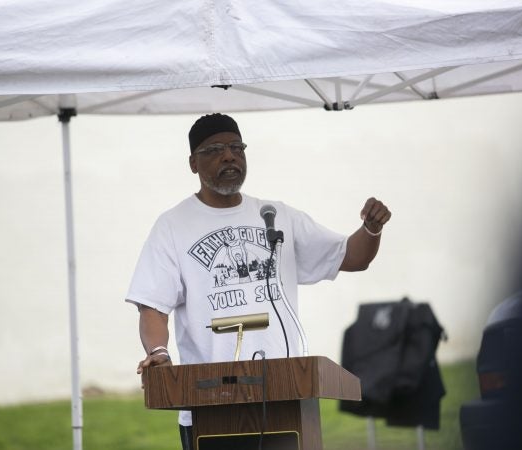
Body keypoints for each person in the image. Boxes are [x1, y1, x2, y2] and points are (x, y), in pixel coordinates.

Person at [125, 113, 391, 450]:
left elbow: (353, 257)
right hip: (210, 406)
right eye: (215, 150)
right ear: (193, 163)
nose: (229, 156)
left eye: (237, 147)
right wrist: (159, 352)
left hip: (286, 399)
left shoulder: (277, 216)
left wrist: (371, 229)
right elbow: (152, 306)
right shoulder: (172, 226)